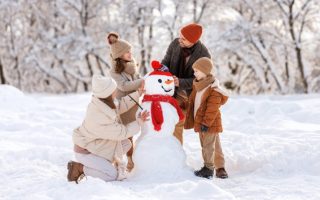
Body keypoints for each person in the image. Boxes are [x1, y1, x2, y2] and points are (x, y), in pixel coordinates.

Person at [67, 75, 148, 183]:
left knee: (126, 144)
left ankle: (105, 164)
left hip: (97, 145)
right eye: (114, 90)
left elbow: (120, 105)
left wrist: (138, 93)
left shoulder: (103, 103)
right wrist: (138, 122)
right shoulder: (99, 118)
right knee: (111, 175)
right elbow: (122, 132)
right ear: (107, 94)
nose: (116, 92)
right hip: (86, 152)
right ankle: (79, 168)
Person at [161, 23, 211, 145]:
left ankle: (212, 160)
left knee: (205, 129)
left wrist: (180, 82)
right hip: (173, 92)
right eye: (180, 36)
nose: (179, 40)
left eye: (183, 38)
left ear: (193, 41)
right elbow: (166, 61)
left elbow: (201, 80)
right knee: (174, 121)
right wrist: (161, 69)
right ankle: (173, 153)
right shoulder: (175, 44)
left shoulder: (204, 55)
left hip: (191, 95)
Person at [184, 57, 229, 179]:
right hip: (202, 123)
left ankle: (209, 168)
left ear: (204, 71)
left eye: (197, 71)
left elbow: (211, 109)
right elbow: (194, 102)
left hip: (209, 123)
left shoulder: (213, 89)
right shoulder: (198, 86)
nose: (194, 73)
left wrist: (206, 123)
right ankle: (215, 167)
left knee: (208, 146)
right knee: (211, 145)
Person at [107, 32, 144, 171]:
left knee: (132, 133)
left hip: (135, 102)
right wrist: (142, 82)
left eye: (130, 51)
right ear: (119, 54)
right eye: (126, 52)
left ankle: (131, 161)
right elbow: (123, 86)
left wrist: (142, 83)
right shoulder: (114, 71)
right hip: (123, 104)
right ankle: (126, 161)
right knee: (126, 135)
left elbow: (137, 79)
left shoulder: (132, 66)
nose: (130, 54)